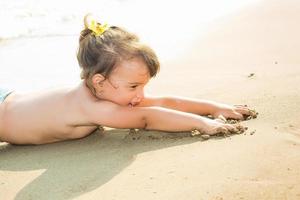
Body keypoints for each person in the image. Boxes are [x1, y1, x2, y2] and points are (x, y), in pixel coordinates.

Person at [0, 14, 255, 145]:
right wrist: (203, 124)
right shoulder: (92, 106)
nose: (141, 95)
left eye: (143, 86)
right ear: (99, 82)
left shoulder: (102, 93)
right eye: (134, 86)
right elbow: (148, 118)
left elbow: (163, 102)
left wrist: (214, 107)